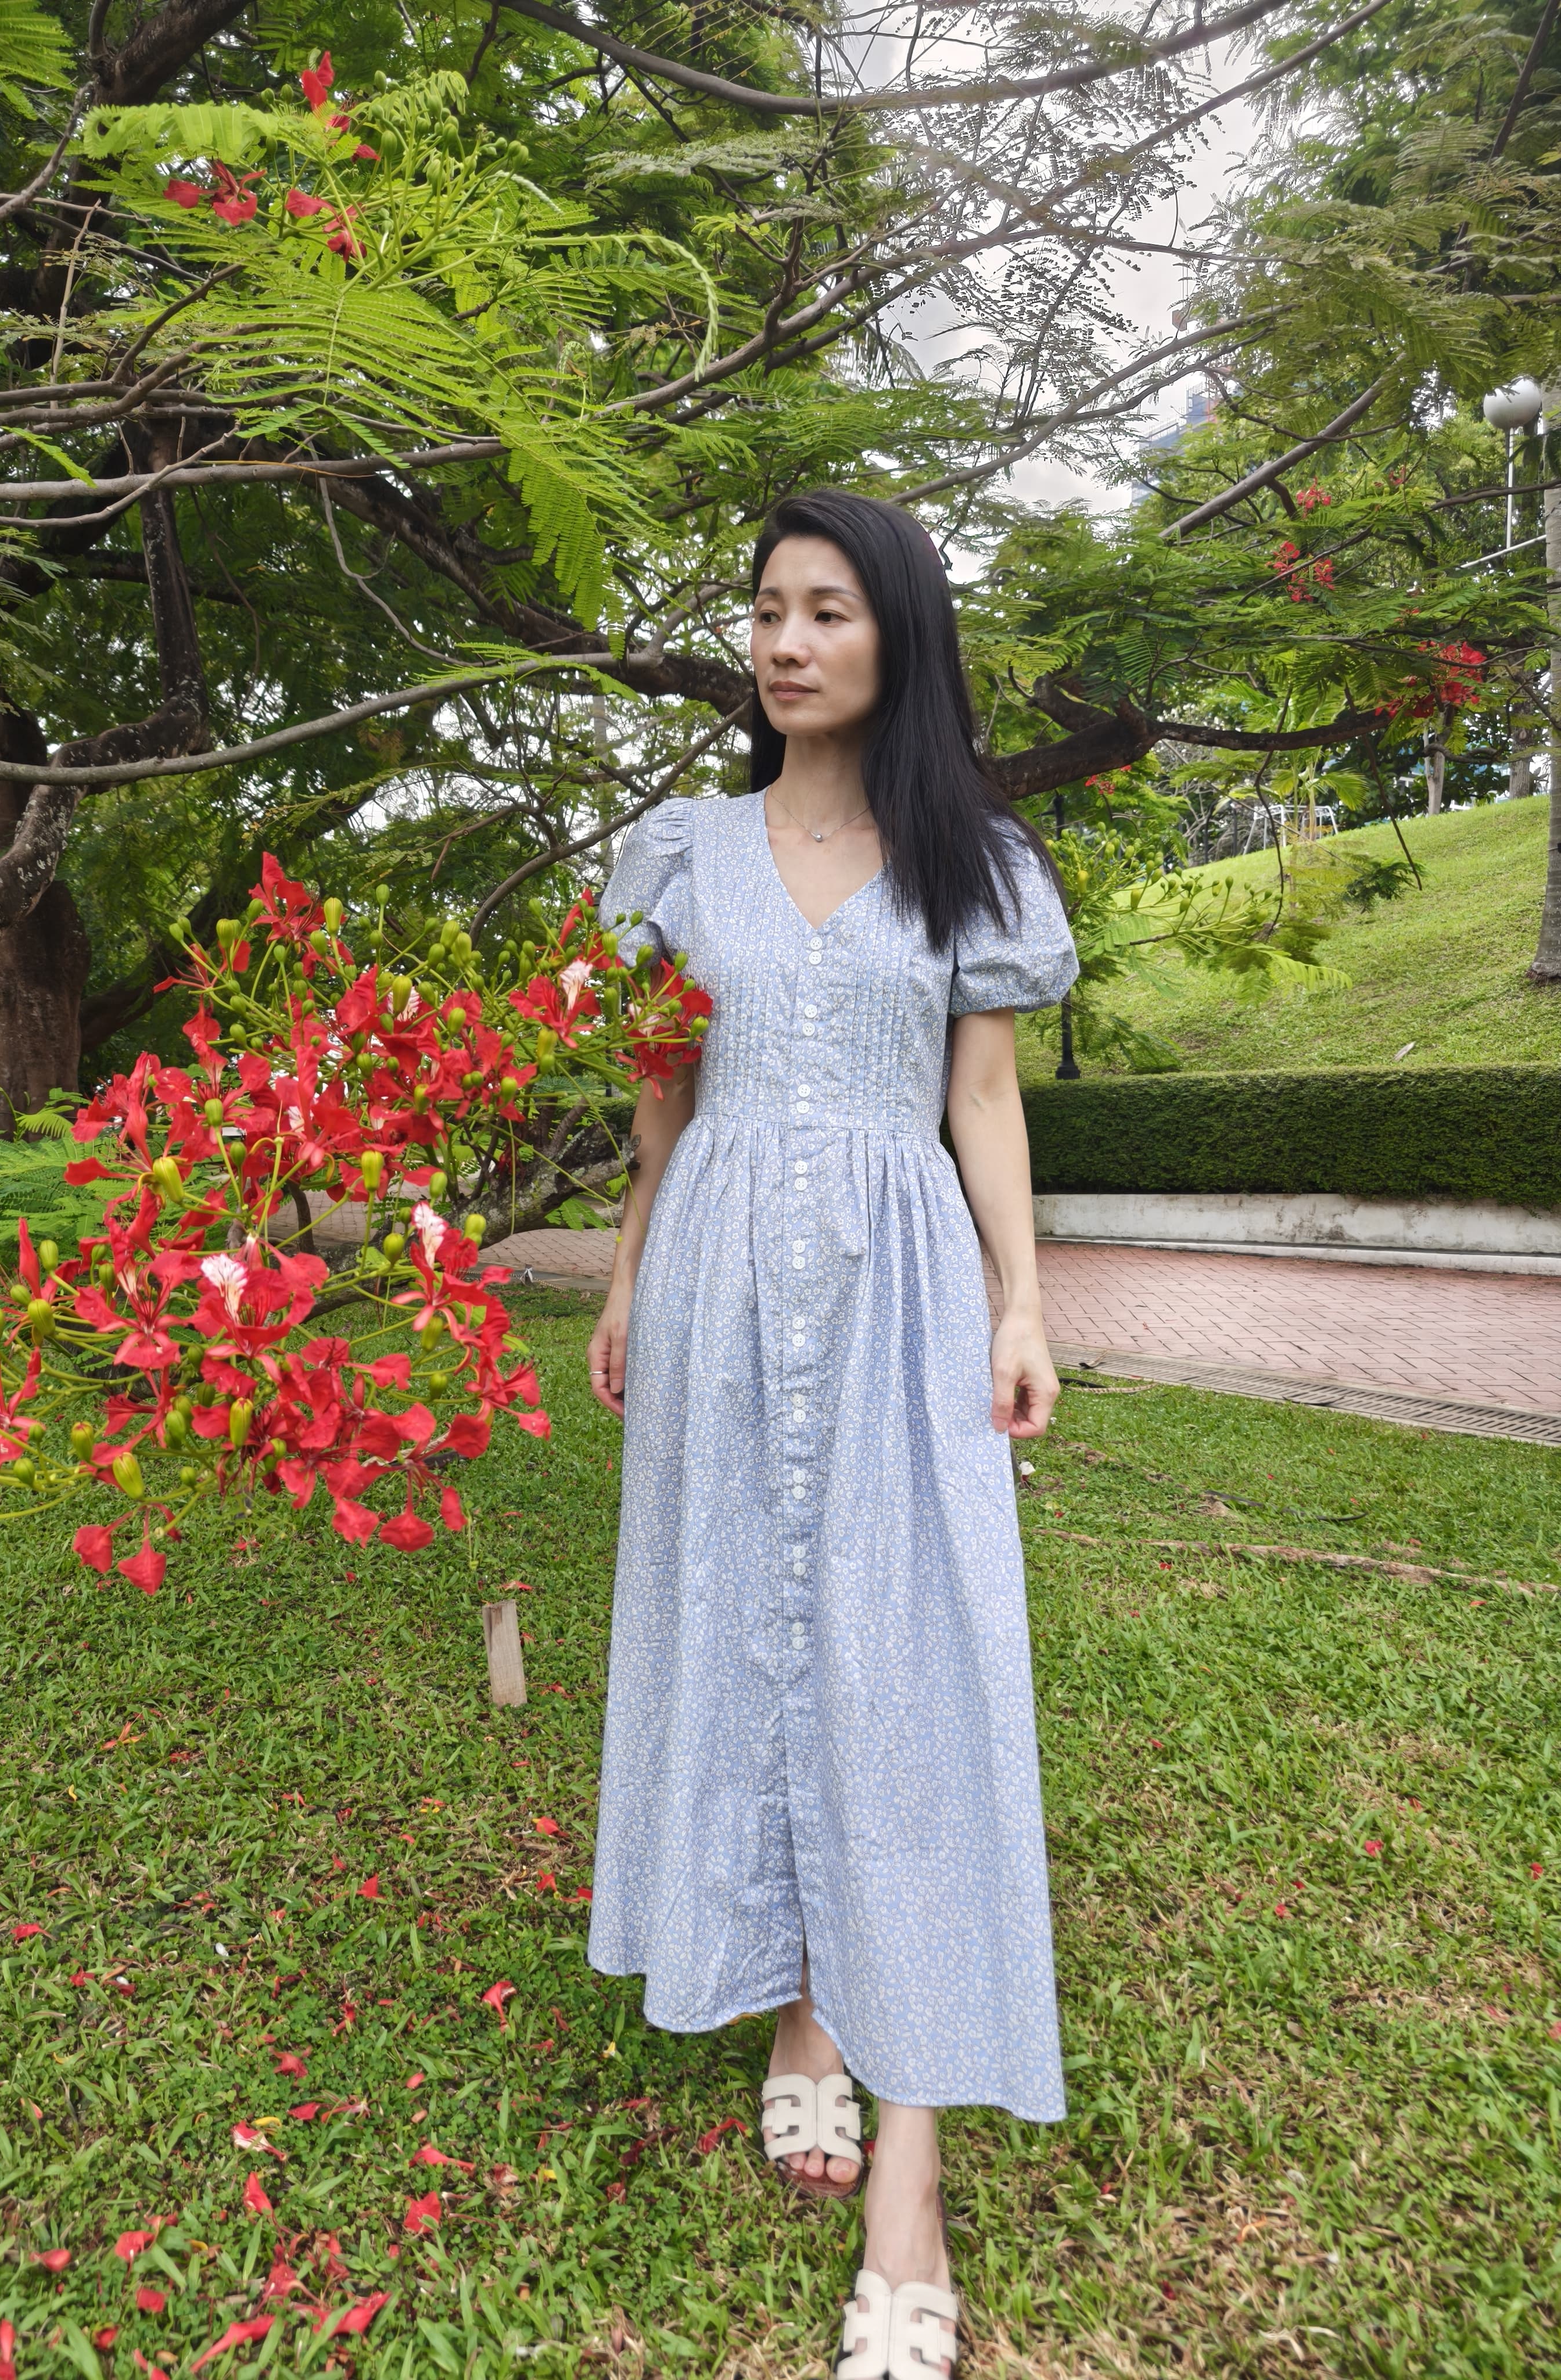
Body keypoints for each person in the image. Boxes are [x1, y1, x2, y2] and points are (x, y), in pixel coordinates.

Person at [584, 488, 1078, 2378]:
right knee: (745, 1628)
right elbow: (662, 1093)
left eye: (830, 611)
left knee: (907, 1668)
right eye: (768, 610)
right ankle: (803, 2006)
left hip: (898, 1293)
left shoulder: (971, 859)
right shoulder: (685, 854)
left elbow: (983, 1098)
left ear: (899, 637)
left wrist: (1021, 1302)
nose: (787, 644)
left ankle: (911, 2190)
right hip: (715, 1282)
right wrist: (628, 1276)